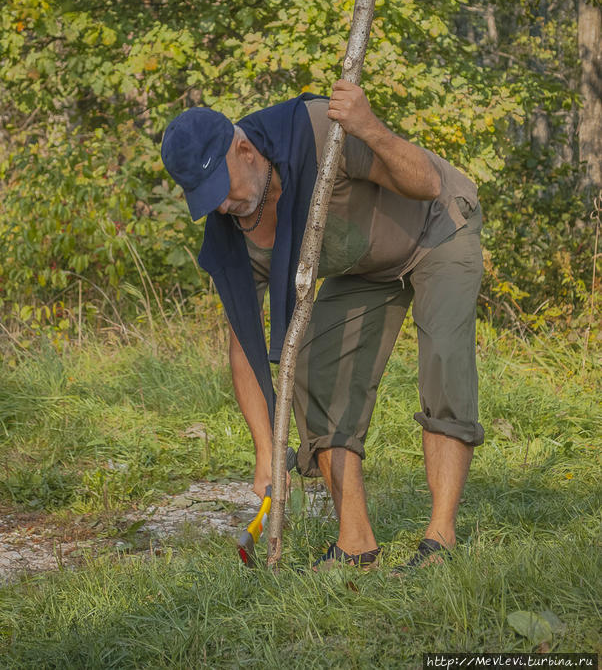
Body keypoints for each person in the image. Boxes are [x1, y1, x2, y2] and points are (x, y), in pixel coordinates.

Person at [161, 80, 484, 571]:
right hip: (365, 265)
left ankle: (440, 540)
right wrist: (266, 451)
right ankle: (356, 544)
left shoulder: (317, 133)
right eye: (206, 200)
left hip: (437, 228)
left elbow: (427, 184)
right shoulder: (232, 231)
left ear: (245, 150)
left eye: (220, 189)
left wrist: (370, 128)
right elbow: (244, 345)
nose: (222, 207)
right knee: (314, 367)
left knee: (443, 358)